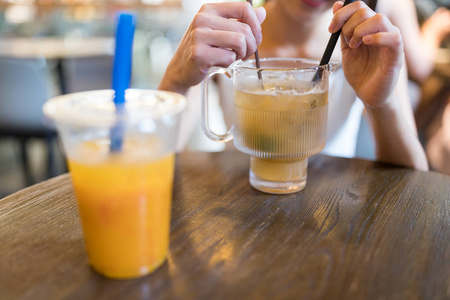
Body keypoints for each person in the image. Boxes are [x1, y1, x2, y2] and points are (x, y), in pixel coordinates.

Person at [159, 0, 429, 171]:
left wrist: (381, 103)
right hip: (237, 204)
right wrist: (175, 80)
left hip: (330, 216)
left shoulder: (369, 33)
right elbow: (154, 160)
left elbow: (415, 177)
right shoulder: (224, 28)